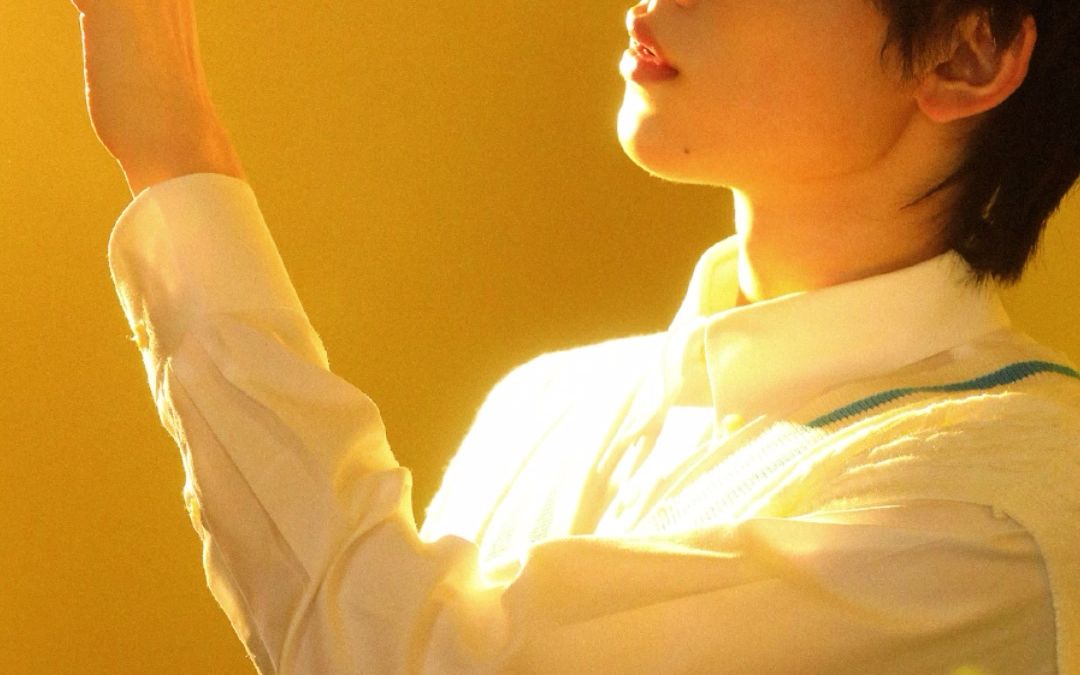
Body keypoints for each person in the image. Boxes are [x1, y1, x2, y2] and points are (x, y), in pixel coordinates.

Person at [74, 0, 1080, 672]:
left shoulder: (1010, 507)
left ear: (969, 53)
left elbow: (392, 656)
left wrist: (175, 146)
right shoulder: (549, 405)